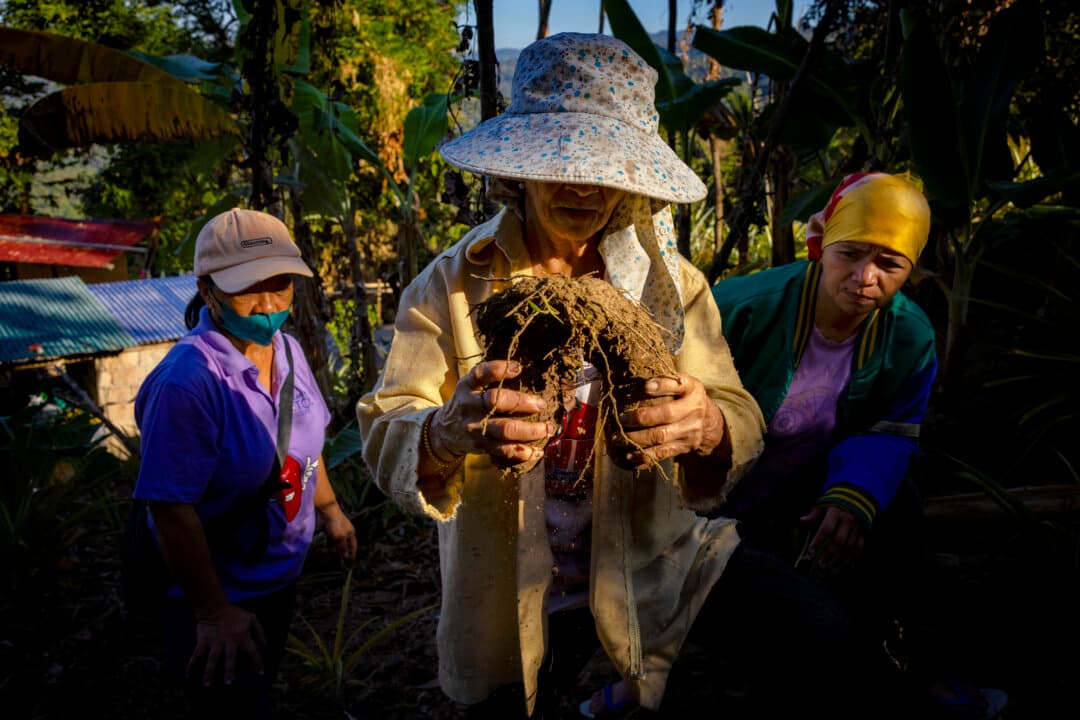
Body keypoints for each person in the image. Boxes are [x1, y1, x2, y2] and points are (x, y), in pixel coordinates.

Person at [358, 32, 897, 720]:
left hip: (656, 561)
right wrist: (442, 430)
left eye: (604, 167)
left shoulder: (670, 285)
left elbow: (741, 415)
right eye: (560, 164)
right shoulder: (451, 285)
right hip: (510, 588)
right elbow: (385, 425)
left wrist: (705, 423)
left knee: (821, 634)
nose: (583, 185)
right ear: (517, 169)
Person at [710, 172, 1007, 719]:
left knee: (900, 504)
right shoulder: (740, 306)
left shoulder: (909, 334)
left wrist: (852, 494)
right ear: (821, 245)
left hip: (801, 489)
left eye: (889, 264)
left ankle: (905, 654)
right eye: (850, 254)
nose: (865, 277)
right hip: (710, 501)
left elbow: (891, 428)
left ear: (910, 272)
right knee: (814, 629)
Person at [133, 208, 357, 717]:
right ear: (207, 289)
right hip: (220, 594)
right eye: (246, 288)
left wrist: (331, 512)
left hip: (277, 578)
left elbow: (303, 449)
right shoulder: (188, 384)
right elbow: (169, 508)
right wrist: (213, 612)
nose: (267, 304)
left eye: (280, 285)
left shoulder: (289, 350)